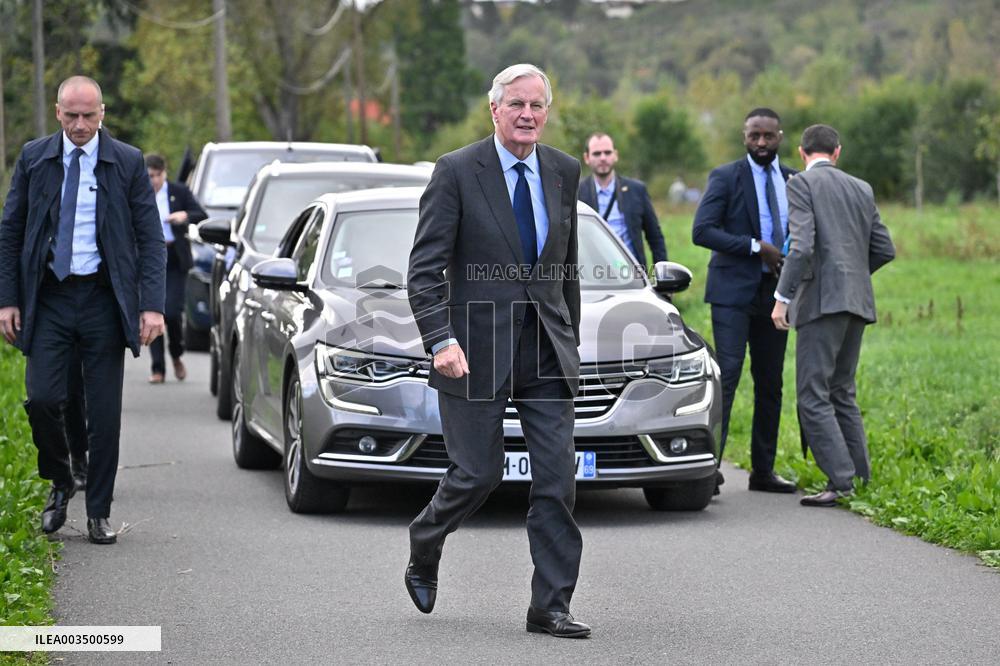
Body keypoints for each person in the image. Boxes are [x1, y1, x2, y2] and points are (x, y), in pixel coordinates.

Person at [406, 64, 589, 638]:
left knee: (557, 481)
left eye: (537, 105)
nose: (528, 114)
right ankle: (426, 540)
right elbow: (424, 270)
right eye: (516, 104)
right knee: (477, 473)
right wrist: (440, 339)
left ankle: (549, 606)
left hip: (544, 347)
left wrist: (571, 343)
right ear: (495, 110)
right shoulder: (457, 172)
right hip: (473, 345)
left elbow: (566, 269)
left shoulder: (563, 170)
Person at [0, 75, 165, 544]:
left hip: (102, 300)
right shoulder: (35, 158)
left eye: (88, 116)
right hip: (49, 297)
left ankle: (98, 512)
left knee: (105, 412)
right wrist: (6, 298)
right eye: (71, 115)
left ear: (102, 113)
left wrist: (151, 305)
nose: (79, 125)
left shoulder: (127, 162)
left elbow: (150, 238)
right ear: (57, 113)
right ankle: (60, 478)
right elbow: (10, 231)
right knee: (44, 399)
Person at [771, 124, 895, 506]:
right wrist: (851, 278)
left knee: (812, 394)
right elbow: (884, 248)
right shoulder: (861, 188)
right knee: (842, 391)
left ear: (801, 151)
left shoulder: (800, 185)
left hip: (821, 303)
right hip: (857, 300)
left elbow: (802, 246)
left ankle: (840, 481)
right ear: (837, 152)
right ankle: (859, 476)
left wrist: (782, 297)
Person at [691, 108, 797, 495]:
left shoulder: (793, 180)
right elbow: (702, 231)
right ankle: (709, 471)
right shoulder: (726, 176)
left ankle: (763, 472)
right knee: (729, 377)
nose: (762, 143)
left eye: (768, 136)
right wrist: (757, 248)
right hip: (733, 294)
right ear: (745, 136)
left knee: (771, 383)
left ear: (780, 137)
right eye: (755, 136)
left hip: (777, 295)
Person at [145, 153, 207, 383]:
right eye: (148, 176)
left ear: (164, 173)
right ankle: (157, 368)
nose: (151, 181)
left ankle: (176, 354)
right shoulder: (138, 192)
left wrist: (185, 216)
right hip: (148, 258)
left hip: (174, 257)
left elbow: (201, 214)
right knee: (152, 310)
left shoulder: (178, 191)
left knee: (171, 312)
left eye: (155, 176)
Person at [578, 132, 667, 271]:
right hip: (590, 276)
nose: (603, 158)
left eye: (607, 152)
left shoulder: (636, 190)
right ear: (587, 158)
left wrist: (664, 277)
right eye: (597, 153)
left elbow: (655, 237)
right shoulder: (575, 192)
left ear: (615, 155)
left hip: (631, 275)